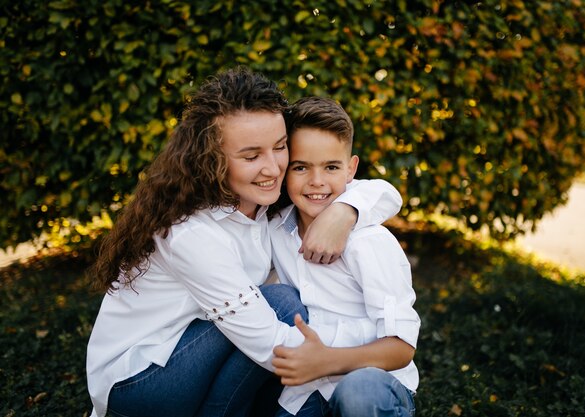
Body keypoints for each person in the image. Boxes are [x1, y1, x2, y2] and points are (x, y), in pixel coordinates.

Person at [85, 67, 403, 417]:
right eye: (251, 157)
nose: (272, 168)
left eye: (280, 148)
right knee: (282, 304)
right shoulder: (193, 233)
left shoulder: (264, 202)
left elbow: (383, 192)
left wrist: (344, 211)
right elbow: (267, 341)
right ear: (213, 159)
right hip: (140, 385)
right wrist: (368, 351)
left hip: (200, 357)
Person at [269, 96, 420, 417]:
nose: (317, 181)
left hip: (373, 383)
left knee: (358, 394)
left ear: (351, 168)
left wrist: (326, 361)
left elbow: (402, 348)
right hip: (306, 388)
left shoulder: (369, 242)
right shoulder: (276, 230)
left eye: (331, 167)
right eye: (300, 167)